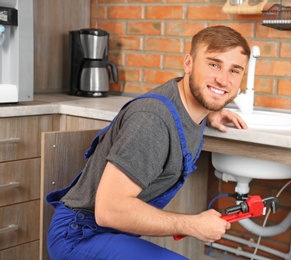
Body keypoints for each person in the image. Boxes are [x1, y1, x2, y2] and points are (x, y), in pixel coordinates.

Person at [46, 25, 251, 259]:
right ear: (188, 64)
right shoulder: (151, 121)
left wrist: (210, 111)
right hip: (80, 236)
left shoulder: (189, 106)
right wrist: (192, 224)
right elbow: (110, 210)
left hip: (110, 233)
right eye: (213, 64)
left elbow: (201, 96)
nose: (223, 79)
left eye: (235, 70)